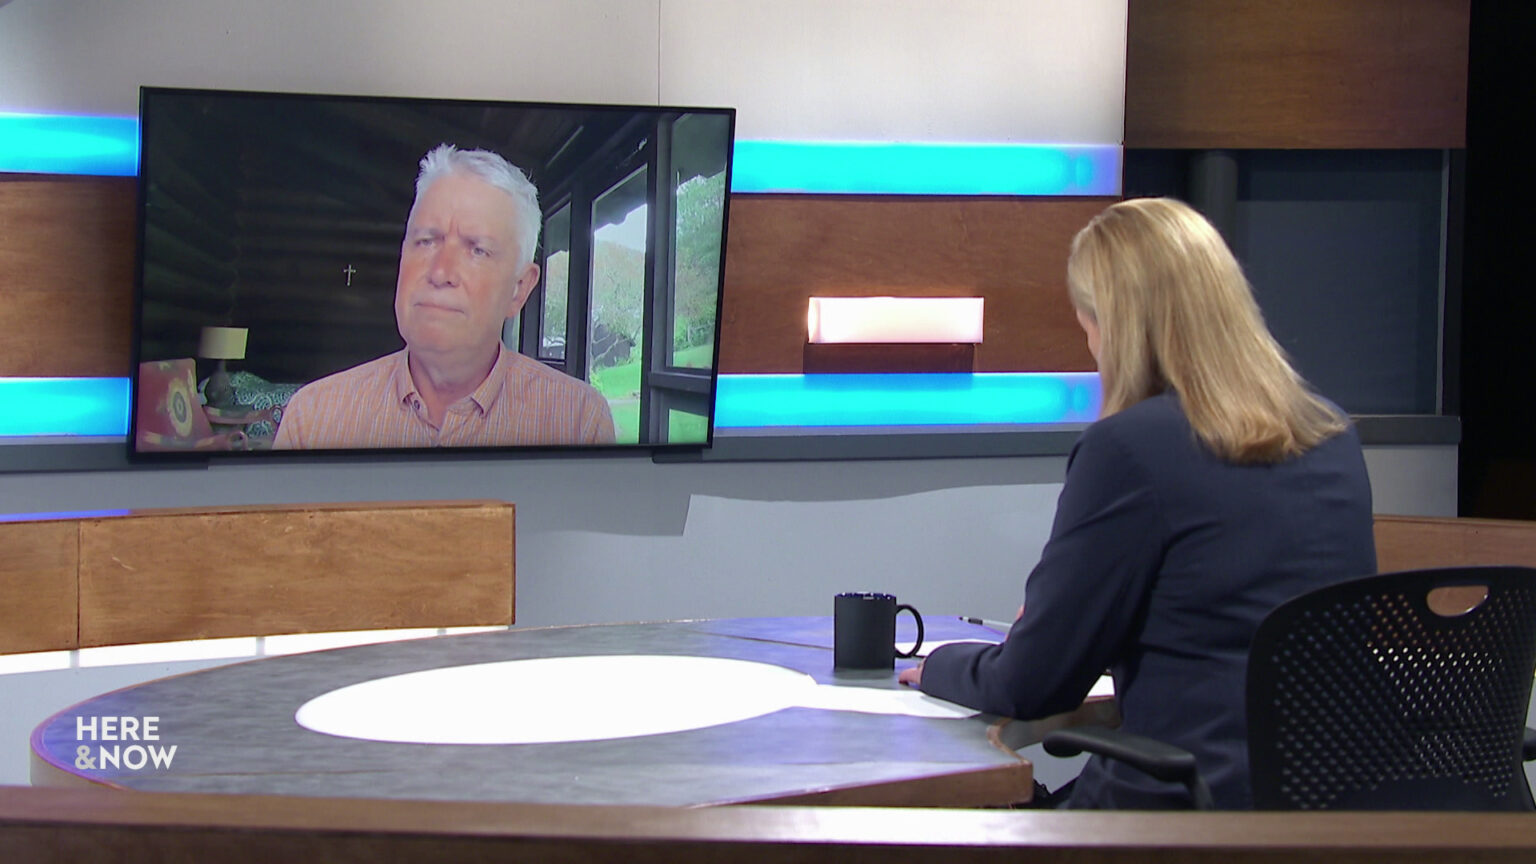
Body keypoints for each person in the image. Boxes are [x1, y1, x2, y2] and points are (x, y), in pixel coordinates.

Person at [899, 198, 1377, 809]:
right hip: (1331, 814)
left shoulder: (1128, 450)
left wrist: (941, 665)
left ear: (1117, 327)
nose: (1093, 352)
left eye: (1089, 328)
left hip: (1183, 817)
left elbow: (1032, 683)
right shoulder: (1330, 434)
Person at [274, 144, 615, 449]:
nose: (440, 272)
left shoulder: (579, 422)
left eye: (477, 250)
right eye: (426, 241)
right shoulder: (314, 419)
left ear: (519, 288)